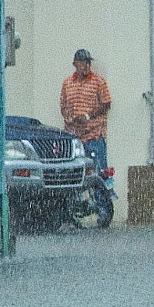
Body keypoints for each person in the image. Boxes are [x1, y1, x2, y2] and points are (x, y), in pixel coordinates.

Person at [60, 49, 112, 216]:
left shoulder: (98, 82)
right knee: (72, 174)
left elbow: (106, 104)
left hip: (93, 135)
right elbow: (63, 105)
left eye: (88, 63)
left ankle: (103, 210)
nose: (86, 66)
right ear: (75, 64)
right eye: (83, 63)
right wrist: (71, 119)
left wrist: (88, 116)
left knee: (98, 173)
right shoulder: (67, 83)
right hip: (74, 137)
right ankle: (72, 211)